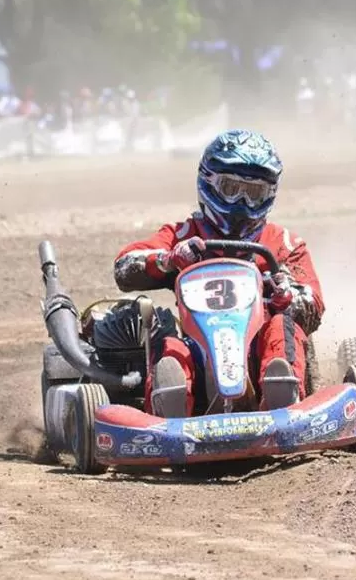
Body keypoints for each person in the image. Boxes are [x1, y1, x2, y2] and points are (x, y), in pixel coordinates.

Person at [113, 129, 325, 418]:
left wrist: (287, 294)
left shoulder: (283, 243)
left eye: (253, 194)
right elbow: (126, 264)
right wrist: (167, 259)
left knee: (281, 327)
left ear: (269, 195)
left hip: (255, 346)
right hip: (199, 346)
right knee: (171, 344)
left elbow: (314, 301)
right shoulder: (183, 234)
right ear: (208, 183)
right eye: (230, 188)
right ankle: (171, 410)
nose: (241, 203)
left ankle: (283, 398)